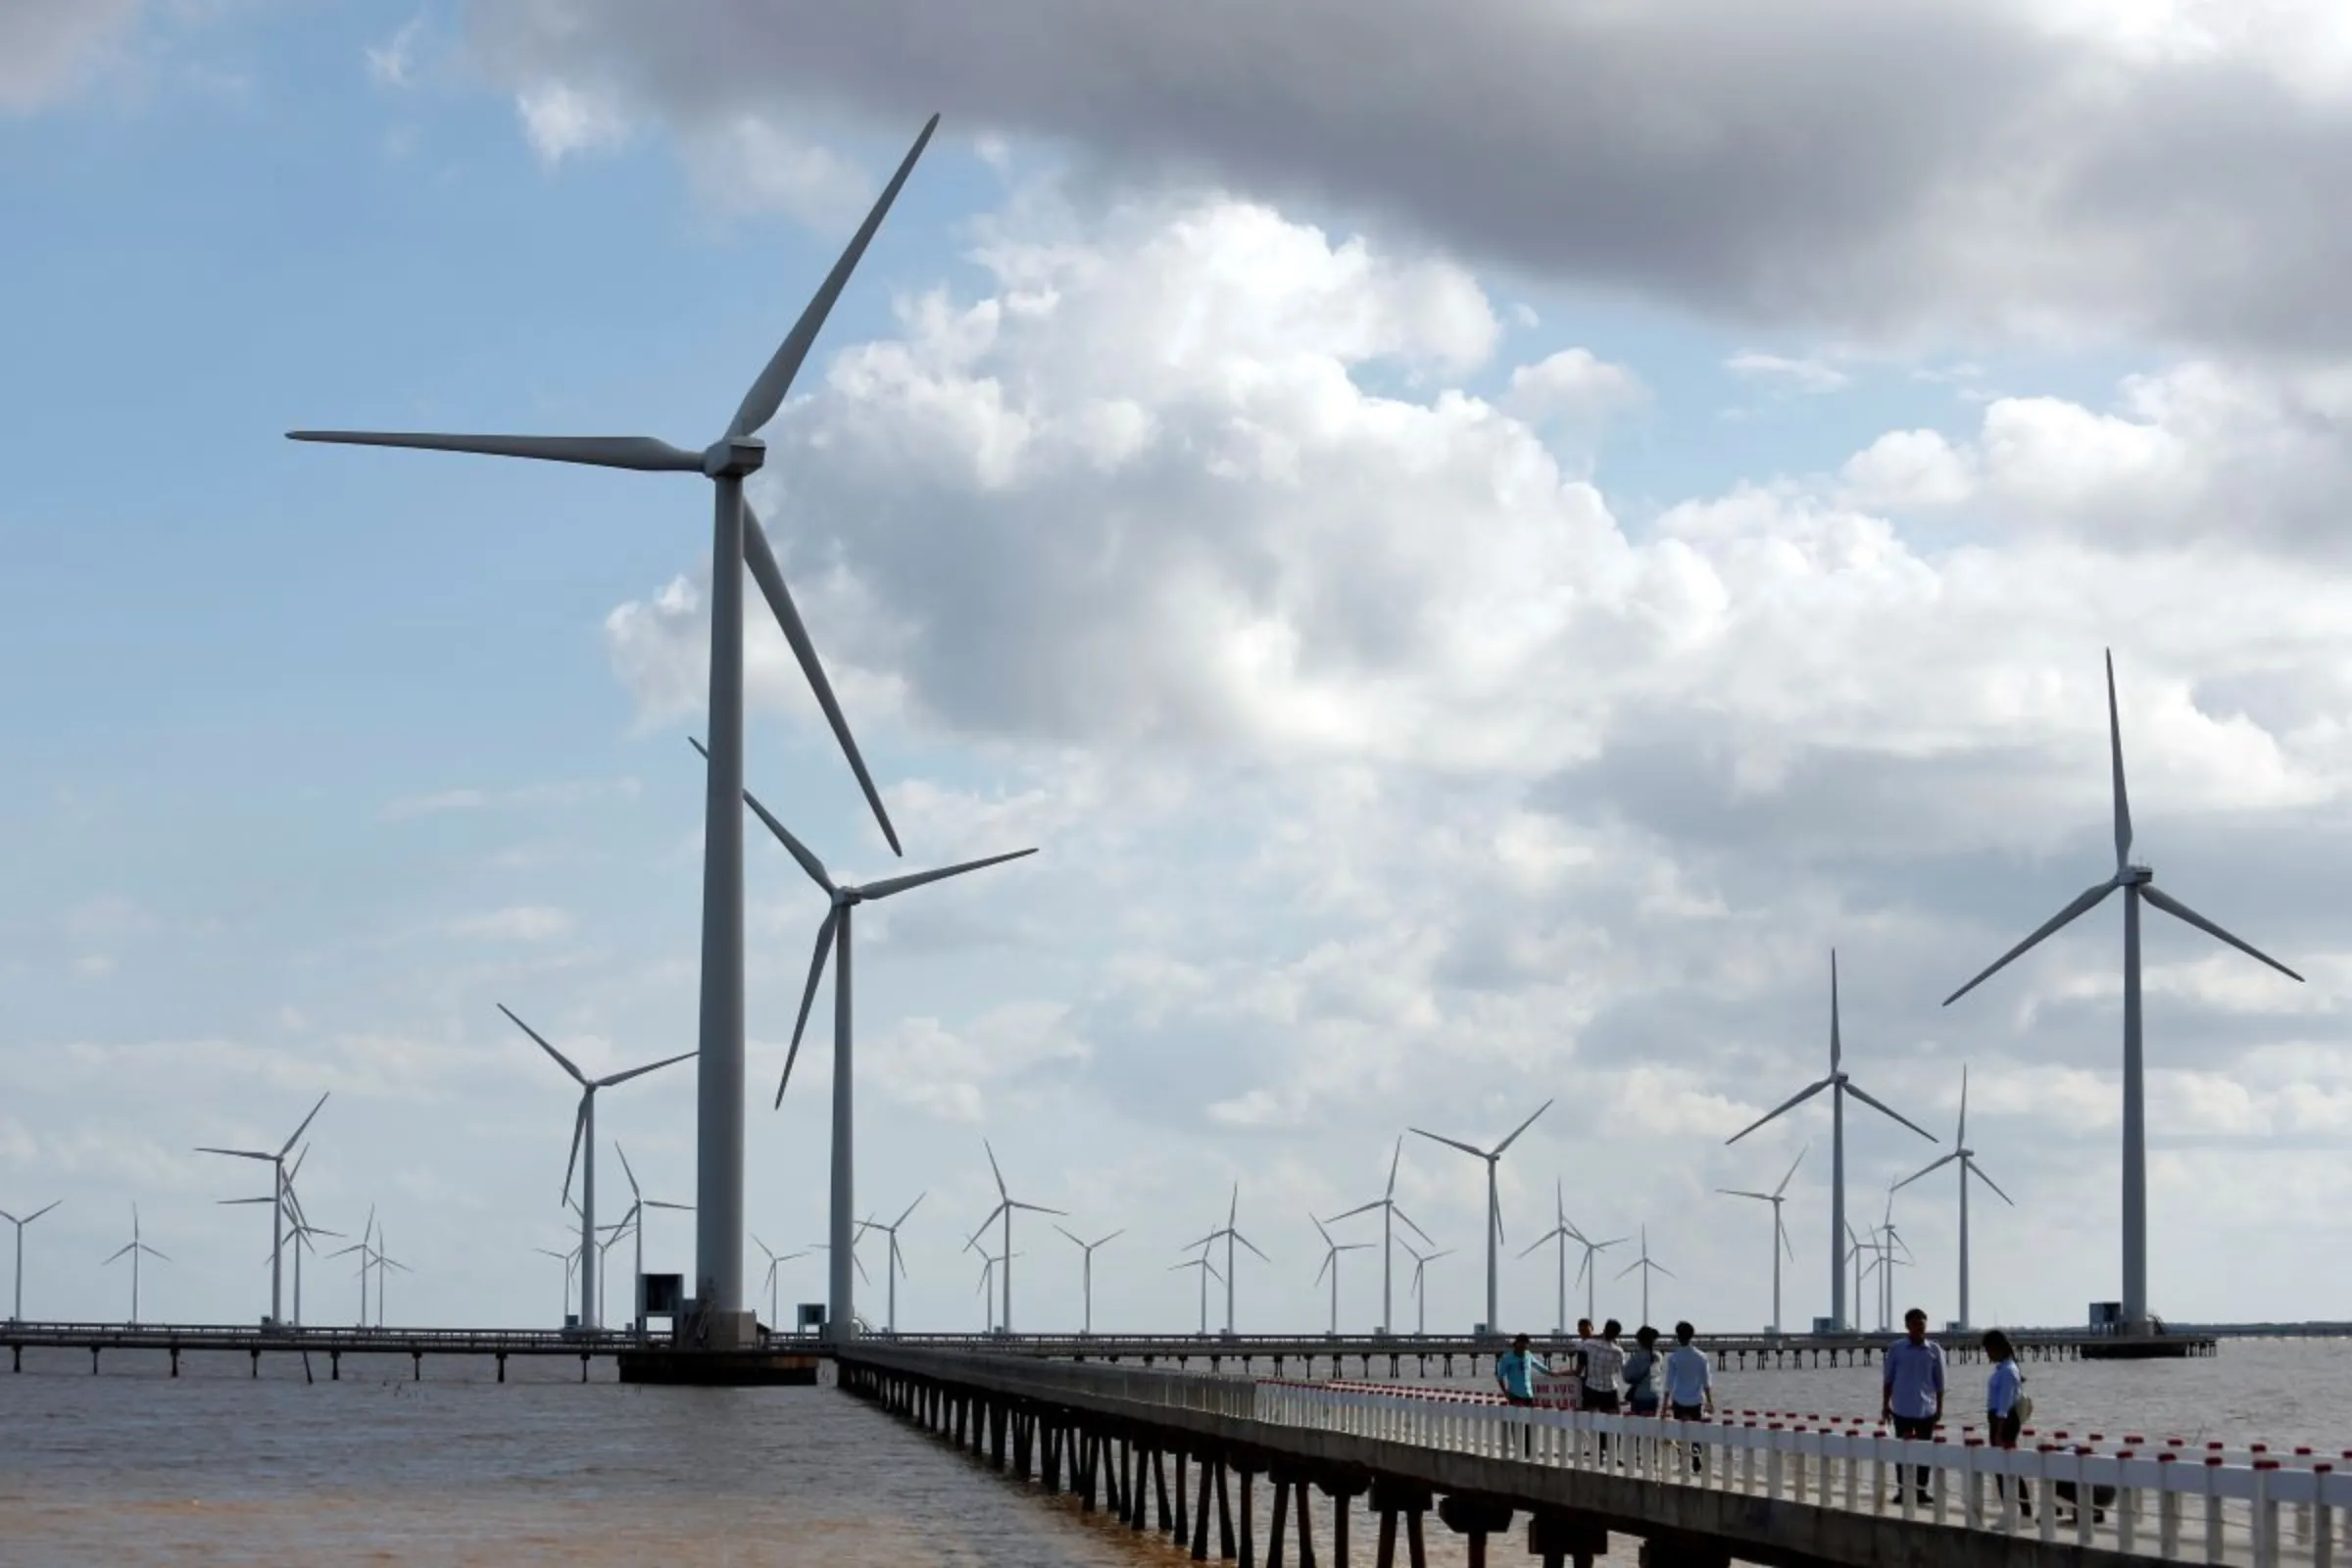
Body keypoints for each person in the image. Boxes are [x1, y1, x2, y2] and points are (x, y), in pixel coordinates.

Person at [1882, 1307, 1946, 1504]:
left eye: (1922, 1322)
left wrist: (1940, 1409)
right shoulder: (1897, 1349)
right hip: (1901, 1408)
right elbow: (1888, 1379)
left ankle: (1921, 1491)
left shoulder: (1934, 1350)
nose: (1919, 1326)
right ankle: (1903, 1490)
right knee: (1902, 1453)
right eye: (1915, 1323)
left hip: (1926, 1409)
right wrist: (1885, 1405)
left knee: (1924, 1453)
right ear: (1907, 1325)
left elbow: (1940, 1382)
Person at [1984, 1329, 2029, 1520]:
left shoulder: (2008, 1371)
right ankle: (2017, 1511)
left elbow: (2004, 1404)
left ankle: (2018, 1512)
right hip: (2001, 1420)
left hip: (2004, 1421)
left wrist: (1999, 1432)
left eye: (1988, 1350)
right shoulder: (2004, 1368)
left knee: (2004, 1468)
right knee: (2004, 1467)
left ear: (1996, 1348)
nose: (1987, 1354)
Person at [1664, 1321, 1714, 1471]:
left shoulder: (1674, 1358)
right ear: (1692, 1336)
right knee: (1696, 1432)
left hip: (1679, 1400)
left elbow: (1669, 1384)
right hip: (1696, 1400)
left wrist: (1664, 1405)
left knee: (1681, 1433)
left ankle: (1683, 1462)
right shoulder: (1701, 1357)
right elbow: (1706, 1382)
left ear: (1678, 1337)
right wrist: (1710, 1402)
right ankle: (1696, 1457)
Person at [1579, 1318, 1626, 1463]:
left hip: (1591, 1387)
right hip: (1609, 1389)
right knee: (1614, 1423)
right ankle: (1613, 1454)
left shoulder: (1589, 1344)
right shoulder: (1618, 1351)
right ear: (1617, 1335)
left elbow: (1581, 1351)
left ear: (1604, 1329)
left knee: (1595, 1422)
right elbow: (1620, 1371)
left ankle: (1597, 1453)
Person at [1495, 1333, 1548, 1408]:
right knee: (1517, 1419)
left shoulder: (1528, 1355)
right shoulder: (1507, 1358)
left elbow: (1542, 1369)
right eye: (1521, 1345)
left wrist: (1559, 1374)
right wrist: (1505, 1392)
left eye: (1525, 1345)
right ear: (1516, 1344)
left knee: (1530, 1419)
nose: (1523, 1347)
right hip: (1515, 1395)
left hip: (1528, 1395)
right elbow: (1500, 1377)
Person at [1624, 1326, 1662, 1417]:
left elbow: (1626, 1377)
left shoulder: (1635, 1358)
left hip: (1639, 1397)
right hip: (1654, 1396)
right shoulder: (1658, 1356)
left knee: (1638, 1426)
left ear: (1640, 1341)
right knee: (1652, 1426)